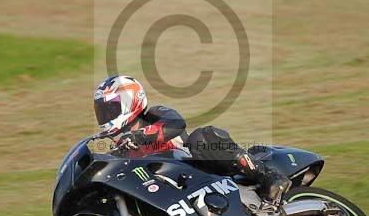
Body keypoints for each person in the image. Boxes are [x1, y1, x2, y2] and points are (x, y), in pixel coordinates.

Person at [93, 75, 291, 204]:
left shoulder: (154, 114)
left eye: (111, 108)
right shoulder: (121, 147)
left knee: (202, 137)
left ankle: (268, 175)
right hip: (170, 193)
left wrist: (140, 136)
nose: (106, 115)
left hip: (199, 168)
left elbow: (177, 123)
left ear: (132, 101)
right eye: (103, 111)